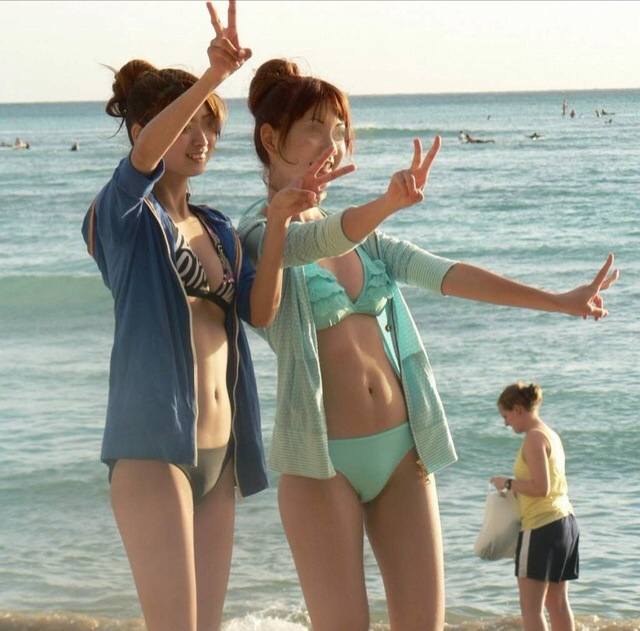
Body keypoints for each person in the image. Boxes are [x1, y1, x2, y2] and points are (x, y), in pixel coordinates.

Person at [238, 59, 618, 630]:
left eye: (339, 131)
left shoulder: (368, 241)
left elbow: (447, 274)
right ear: (271, 139)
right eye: (315, 128)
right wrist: (384, 204)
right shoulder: (255, 231)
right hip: (321, 464)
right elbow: (306, 244)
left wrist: (558, 301)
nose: (332, 144)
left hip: (402, 452)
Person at [80, 5, 337, 631]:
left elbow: (260, 310)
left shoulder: (218, 228)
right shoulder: (121, 217)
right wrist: (213, 77)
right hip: (152, 447)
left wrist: (279, 224)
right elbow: (140, 164)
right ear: (144, 129)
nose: (201, 137)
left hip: (221, 453)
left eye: (210, 125)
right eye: (188, 122)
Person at [491, 382, 579, 631]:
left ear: (518, 409)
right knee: (557, 603)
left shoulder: (534, 438)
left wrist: (507, 483)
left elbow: (541, 488)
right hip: (565, 522)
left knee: (531, 608)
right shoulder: (550, 434)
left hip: (541, 526)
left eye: (506, 416)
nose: (506, 423)